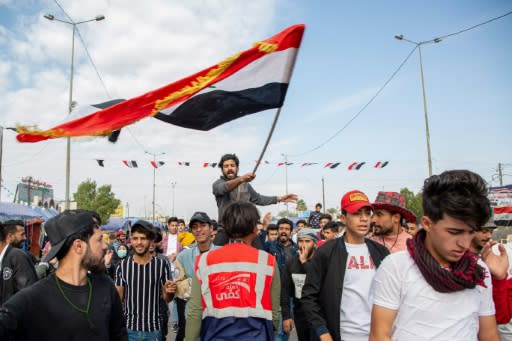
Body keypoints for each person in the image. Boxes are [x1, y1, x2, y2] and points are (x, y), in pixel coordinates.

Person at [369, 170, 500, 341]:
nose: (464, 243)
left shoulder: (478, 271)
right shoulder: (396, 267)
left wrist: (500, 278)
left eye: (471, 232)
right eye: (454, 232)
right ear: (427, 223)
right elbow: (379, 336)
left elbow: (489, 334)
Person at [0, 210, 128, 340]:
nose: (105, 246)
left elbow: (119, 335)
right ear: (78, 246)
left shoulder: (106, 287)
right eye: (99, 240)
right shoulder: (33, 299)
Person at [301, 190, 389, 341]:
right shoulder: (326, 252)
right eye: (356, 213)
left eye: (367, 213)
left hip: (375, 335)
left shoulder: (381, 252)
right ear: (343, 218)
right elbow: (309, 296)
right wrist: (322, 331)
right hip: (340, 335)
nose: (363, 219)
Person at [185, 202, 281, 340]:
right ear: (254, 228)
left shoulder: (204, 261)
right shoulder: (268, 261)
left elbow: (195, 311)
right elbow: (275, 313)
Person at [115, 220, 175, 341]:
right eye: (135, 238)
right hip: (129, 329)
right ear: (131, 240)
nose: (139, 242)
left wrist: (169, 291)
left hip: (153, 330)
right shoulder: (122, 266)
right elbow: (118, 299)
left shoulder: (162, 264)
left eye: (143, 238)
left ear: (151, 240)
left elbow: (167, 298)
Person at [212, 153, 297, 220]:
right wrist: (241, 179)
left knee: (258, 242)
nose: (229, 168)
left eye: (232, 165)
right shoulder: (217, 184)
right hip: (225, 228)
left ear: (237, 168)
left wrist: (279, 199)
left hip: (245, 228)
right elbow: (224, 188)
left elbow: (258, 199)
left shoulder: (245, 184)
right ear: (222, 169)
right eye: (226, 166)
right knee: (218, 243)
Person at [174, 212, 218, 341]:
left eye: (203, 225)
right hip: (193, 318)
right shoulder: (183, 257)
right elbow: (179, 287)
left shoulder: (223, 254)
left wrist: (191, 283)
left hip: (218, 319)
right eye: (195, 227)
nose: (199, 230)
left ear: (211, 229)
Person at [281, 228, 319, 341]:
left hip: (319, 313)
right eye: (301, 241)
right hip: (300, 312)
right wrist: (286, 316)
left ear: (315, 243)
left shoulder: (320, 261)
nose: (304, 244)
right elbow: (285, 290)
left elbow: (316, 282)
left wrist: (305, 263)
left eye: (308, 241)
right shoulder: (291, 262)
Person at [0, 220, 38, 305]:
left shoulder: (17, 256)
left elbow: (28, 295)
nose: (25, 238)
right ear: (10, 236)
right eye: (22, 234)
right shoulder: (9, 257)